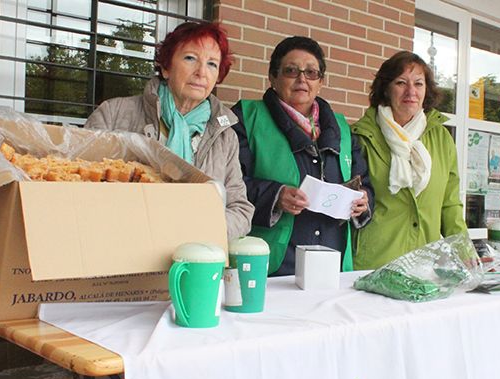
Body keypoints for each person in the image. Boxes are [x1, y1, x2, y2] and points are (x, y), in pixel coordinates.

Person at [85, 21, 253, 240]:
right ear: (166, 67)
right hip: (122, 243)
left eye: (212, 64)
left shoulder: (225, 136)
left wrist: (198, 229)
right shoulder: (114, 114)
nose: (201, 72)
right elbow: (80, 187)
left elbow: (240, 210)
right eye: (190, 58)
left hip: (193, 253)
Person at [232, 36, 373, 276]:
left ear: (321, 82)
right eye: (291, 71)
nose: (302, 79)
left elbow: (365, 182)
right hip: (272, 264)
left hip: (333, 262)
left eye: (311, 73)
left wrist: (363, 200)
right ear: (273, 77)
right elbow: (230, 185)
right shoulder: (246, 117)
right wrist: (276, 196)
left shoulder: (342, 128)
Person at [351, 51, 468, 270]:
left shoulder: (442, 138)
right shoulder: (360, 136)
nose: (411, 91)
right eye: (401, 82)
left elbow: (450, 204)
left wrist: (465, 252)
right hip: (374, 264)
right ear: (386, 88)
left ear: (427, 90)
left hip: (425, 265)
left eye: (418, 84)